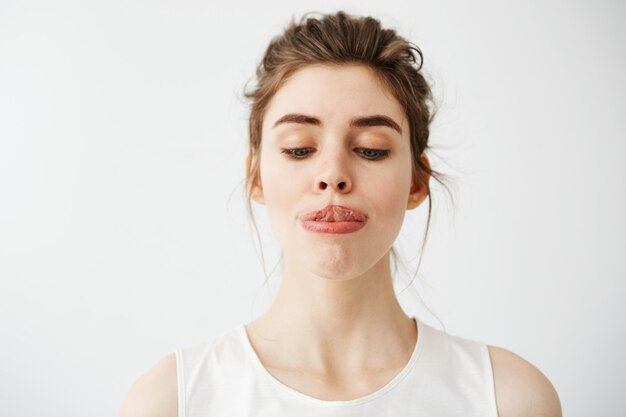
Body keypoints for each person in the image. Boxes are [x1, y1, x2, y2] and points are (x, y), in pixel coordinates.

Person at [119, 11, 562, 417]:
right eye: (300, 149)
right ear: (255, 176)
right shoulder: (172, 400)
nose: (333, 175)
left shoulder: (507, 398)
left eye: (371, 149)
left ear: (416, 181)